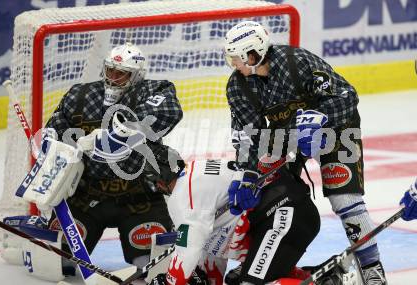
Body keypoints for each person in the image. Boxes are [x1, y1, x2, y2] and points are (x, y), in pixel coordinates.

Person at [222, 21, 387, 285]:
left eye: (236, 58)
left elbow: (346, 96)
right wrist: (250, 173)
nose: (233, 65)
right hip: (287, 136)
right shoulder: (238, 87)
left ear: (253, 54)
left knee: (344, 199)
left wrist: (319, 118)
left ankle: (371, 268)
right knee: (271, 195)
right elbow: (248, 137)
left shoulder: (296, 62)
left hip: (336, 128)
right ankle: (275, 263)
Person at [42, 42, 183, 273]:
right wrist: (51, 151)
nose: (114, 78)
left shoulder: (155, 90)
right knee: (59, 264)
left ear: (137, 76)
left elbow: (168, 113)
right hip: (86, 197)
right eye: (110, 71)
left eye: (122, 74)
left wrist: (114, 135)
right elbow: (54, 130)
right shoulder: (80, 95)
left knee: (153, 267)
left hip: (139, 198)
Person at [144, 144, 321, 285]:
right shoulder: (197, 170)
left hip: (284, 215)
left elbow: (189, 250)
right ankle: (320, 279)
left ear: (158, 181)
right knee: (237, 279)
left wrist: (170, 281)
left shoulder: (182, 198)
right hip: (288, 214)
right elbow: (209, 248)